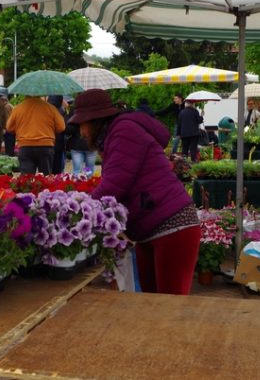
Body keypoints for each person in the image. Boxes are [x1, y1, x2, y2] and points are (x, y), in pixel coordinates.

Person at [68, 89, 200, 295]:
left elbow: (114, 185)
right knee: (149, 306)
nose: (81, 132)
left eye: (81, 125)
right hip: (149, 228)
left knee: (170, 307)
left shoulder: (123, 131)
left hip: (173, 226)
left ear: (94, 120)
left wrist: (76, 209)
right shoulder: (113, 136)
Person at [6, 95, 66, 175]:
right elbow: (61, 127)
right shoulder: (50, 108)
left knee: (27, 179)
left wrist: (20, 130)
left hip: (25, 146)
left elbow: (9, 127)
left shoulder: (18, 108)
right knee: (46, 176)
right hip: (46, 146)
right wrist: (49, 130)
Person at [47, 95, 68, 174]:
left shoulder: (45, 110)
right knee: (57, 167)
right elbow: (63, 127)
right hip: (59, 142)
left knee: (47, 167)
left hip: (47, 140)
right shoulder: (62, 110)